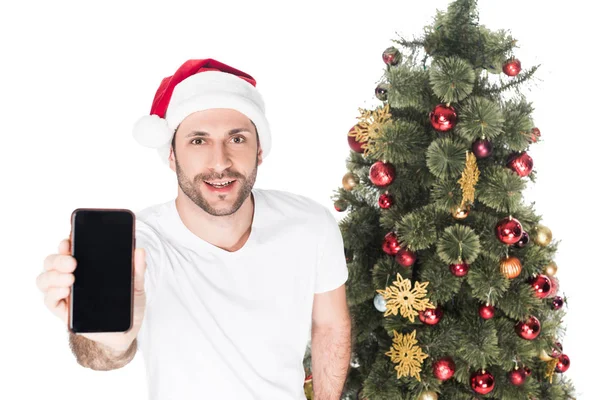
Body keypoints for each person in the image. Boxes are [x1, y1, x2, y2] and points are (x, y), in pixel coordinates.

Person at [36, 58, 352, 400]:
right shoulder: (140, 245)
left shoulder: (309, 225)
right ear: (171, 156)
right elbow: (99, 356)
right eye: (198, 141)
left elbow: (331, 325)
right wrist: (112, 338)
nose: (219, 162)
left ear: (259, 150)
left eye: (237, 139)